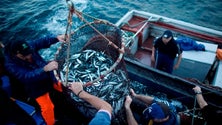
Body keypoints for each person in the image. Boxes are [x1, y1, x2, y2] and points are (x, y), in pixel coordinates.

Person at [3, 34, 67, 125]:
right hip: (35, 87)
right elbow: (26, 76)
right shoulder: (10, 64)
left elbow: (40, 42)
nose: (30, 55)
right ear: (17, 54)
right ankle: (50, 123)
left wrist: (56, 38)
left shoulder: (27, 46)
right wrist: (44, 69)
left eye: (29, 52)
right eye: (26, 55)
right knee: (47, 108)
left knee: (61, 87)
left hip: (47, 76)